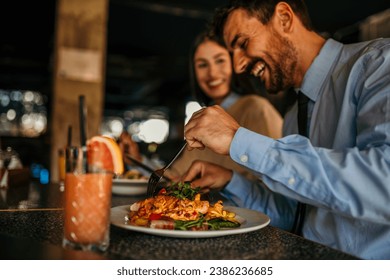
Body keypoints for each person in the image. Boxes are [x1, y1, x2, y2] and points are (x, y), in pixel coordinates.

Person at [182, 0, 390, 260]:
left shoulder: (379, 65)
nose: (237, 67)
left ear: (283, 17)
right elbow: (297, 216)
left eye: (243, 43)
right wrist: (232, 181)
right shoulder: (293, 117)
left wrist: (238, 140)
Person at [120, 30, 283, 181]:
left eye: (220, 60)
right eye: (202, 65)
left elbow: (276, 175)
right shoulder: (204, 119)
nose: (212, 73)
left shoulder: (256, 108)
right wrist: (137, 160)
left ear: (234, 64)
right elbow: (177, 178)